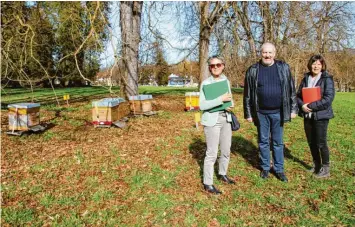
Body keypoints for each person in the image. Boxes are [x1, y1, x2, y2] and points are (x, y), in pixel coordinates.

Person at [243, 43, 297, 182]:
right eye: (264, 52)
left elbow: (291, 90)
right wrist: (248, 113)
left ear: (274, 53)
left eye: (270, 52)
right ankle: (265, 167)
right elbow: (247, 94)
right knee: (263, 141)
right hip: (261, 113)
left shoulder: (283, 68)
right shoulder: (253, 70)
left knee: (278, 142)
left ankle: (279, 169)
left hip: (278, 112)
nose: (267, 55)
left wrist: (293, 108)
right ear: (260, 53)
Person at [199, 55, 235, 195]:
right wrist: (220, 100)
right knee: (212, 153)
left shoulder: (226, 81)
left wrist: (230, 104)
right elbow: (202, 105)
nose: (215, 67)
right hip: (212, 121)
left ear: (223, 66)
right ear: (209, 68)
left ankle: (222, 173)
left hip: (226, 119)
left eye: (218, 65)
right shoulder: (206, 84)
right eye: (212, 66)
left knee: (226, 150)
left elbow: (230, 98)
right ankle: (208, 183)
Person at [296, 55, 335, 178]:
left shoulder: (327, 78)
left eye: (319, 64)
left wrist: (311, 106)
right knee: (311, 142)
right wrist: (302, 105)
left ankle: (326, 168)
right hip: (308, 115)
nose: (316, 66)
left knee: (321, 143)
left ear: (322, 65)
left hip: (321, 116)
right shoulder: (305, 78)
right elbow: (298, 96)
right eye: (314, 63)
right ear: (310, 64)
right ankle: (317, 164)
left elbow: (328, 99)